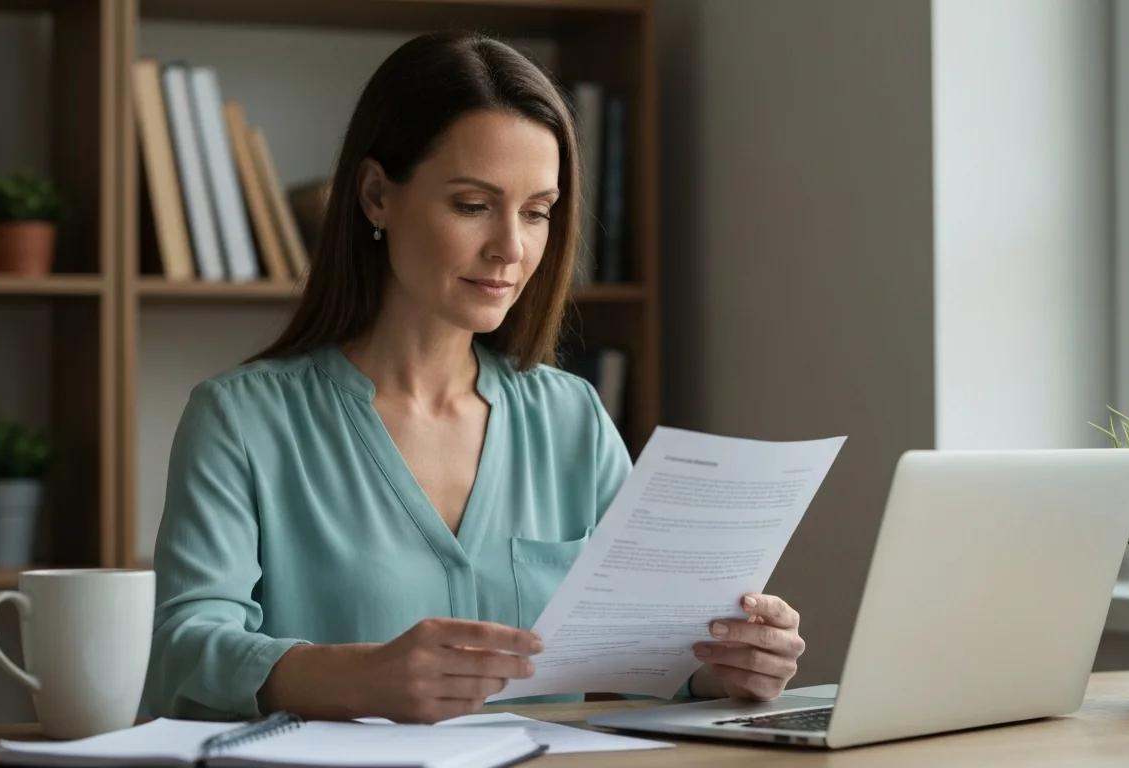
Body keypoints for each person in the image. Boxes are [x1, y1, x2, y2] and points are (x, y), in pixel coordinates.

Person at [142, 30, 806, 725]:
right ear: (375, 196)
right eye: (472, 205)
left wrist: (724, 665)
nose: (511, 249)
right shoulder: (241, 421)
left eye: (537, 212)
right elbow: (185, 649)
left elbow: (651, 655)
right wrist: (360, 677)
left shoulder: (571, 418)